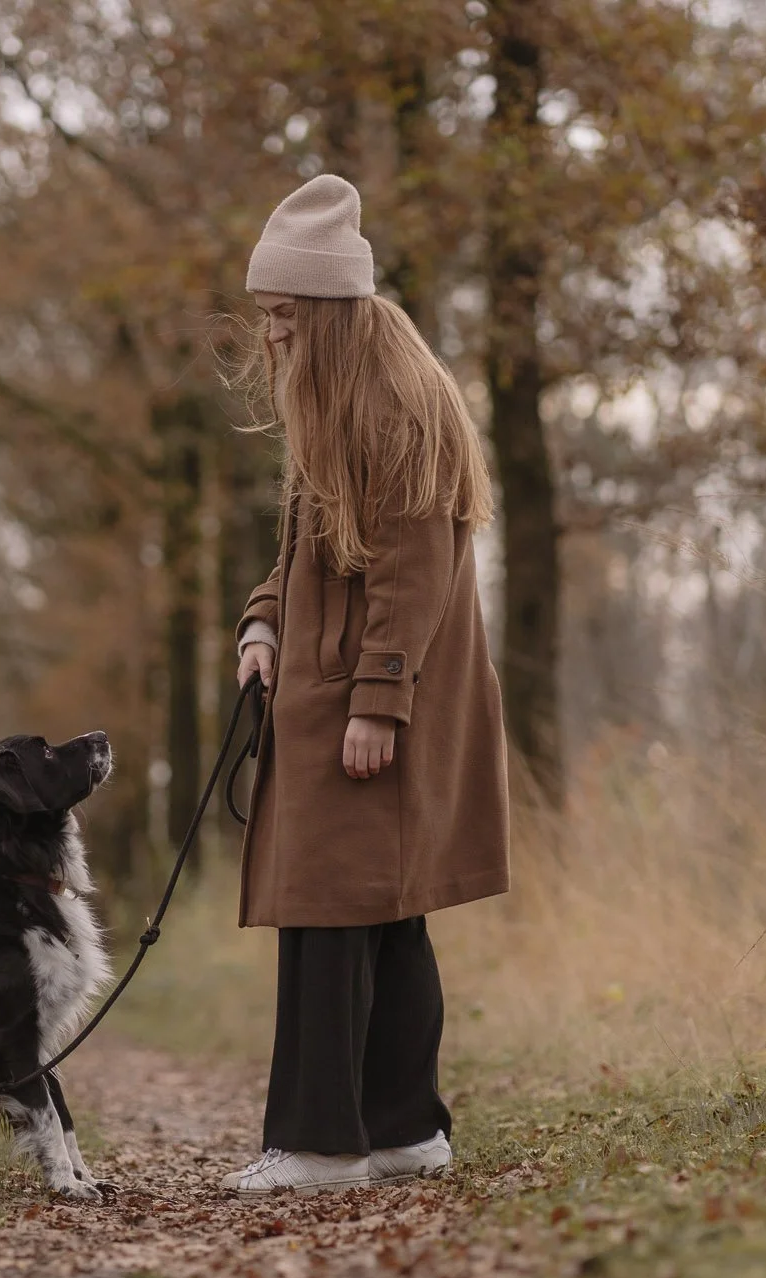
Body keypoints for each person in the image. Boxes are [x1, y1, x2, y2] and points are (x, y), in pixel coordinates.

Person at [224, 173, 510, 1196]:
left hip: (369, 697)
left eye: (287, 318)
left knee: (334, 912)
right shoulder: (337, 406)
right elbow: (303, 553)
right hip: (329, 686)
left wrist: (378, 701)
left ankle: (322, 1146)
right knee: (382, 909)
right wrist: (263, 623)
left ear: (332, 315)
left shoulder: (391, 408)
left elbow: (413, 571)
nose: (273, 339)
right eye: (268, 318)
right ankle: (403, 1130)